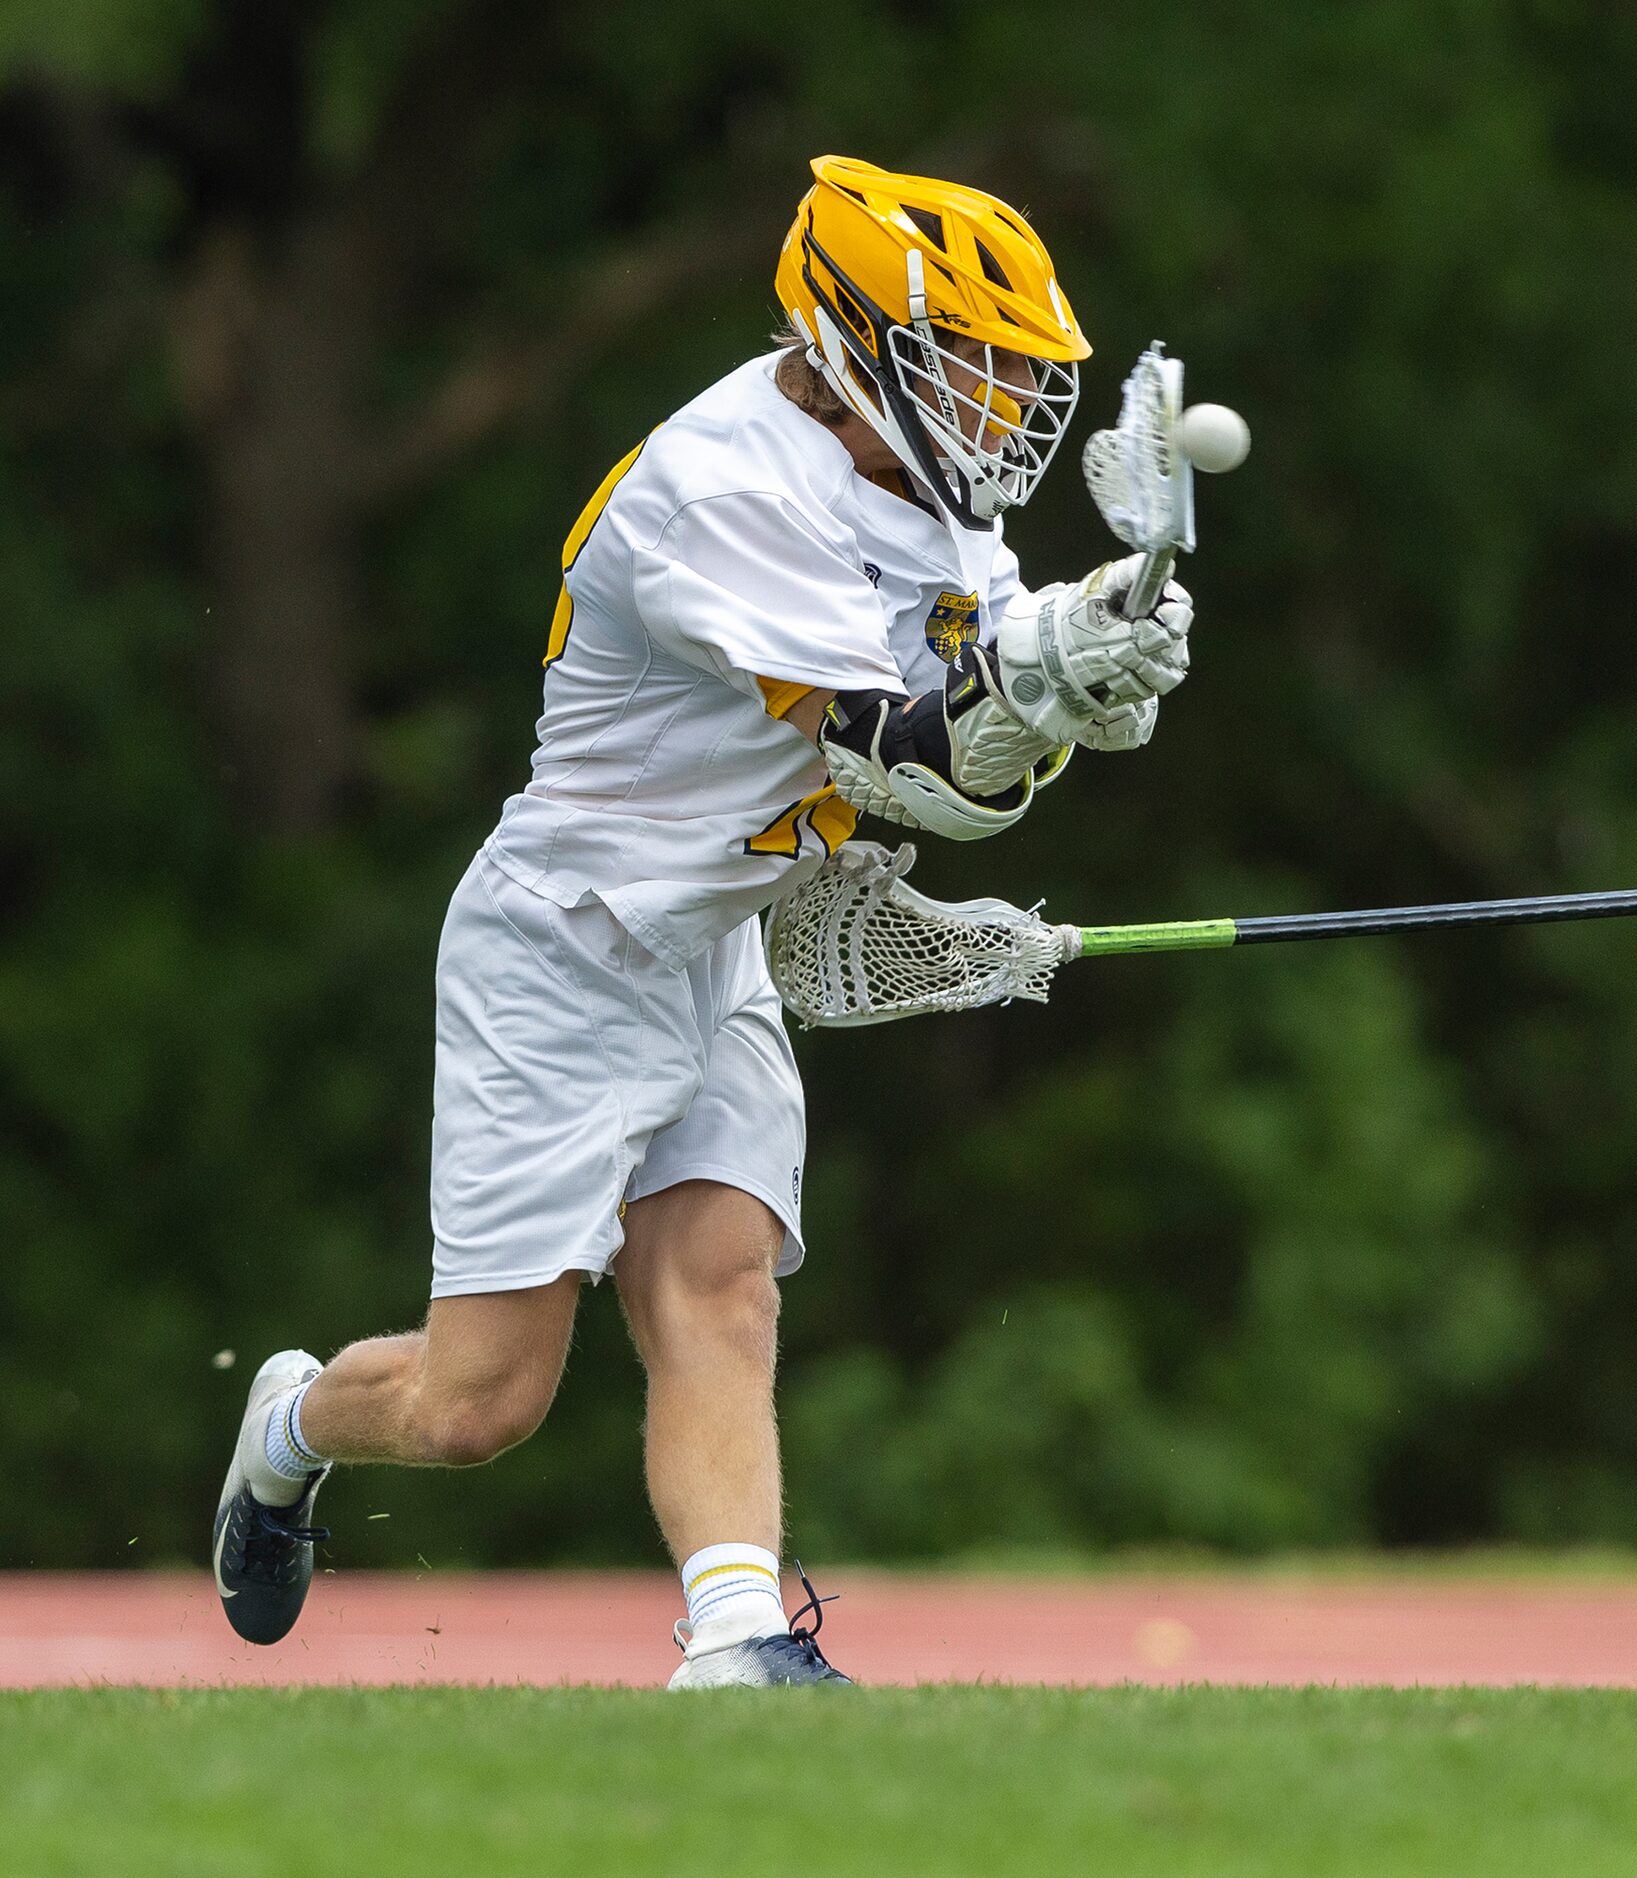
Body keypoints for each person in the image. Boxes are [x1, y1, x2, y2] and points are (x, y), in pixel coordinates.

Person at [212, 157, 1198, 1687]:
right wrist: (1048, 689)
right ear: (858, 342)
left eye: (1019, 374)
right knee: (478, 1407)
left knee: (719, 1279)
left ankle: (736, 1639)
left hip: (718, 933)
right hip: (565, 946)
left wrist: (1078, 642)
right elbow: (916, 755)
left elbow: (979, 668)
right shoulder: (720, 487)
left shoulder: (916, 477)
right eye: (974, 366)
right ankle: (286, 1427)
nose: (1003, 404)